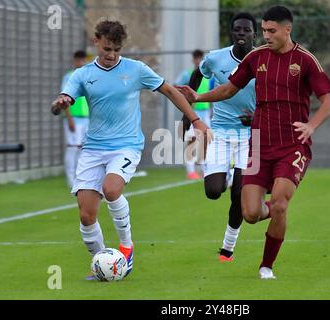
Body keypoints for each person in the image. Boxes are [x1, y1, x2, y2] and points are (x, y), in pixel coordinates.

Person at [176, 6, 330, 279]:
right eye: (263, 30)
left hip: (292, 145)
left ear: (288, 29)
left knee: (281, 203)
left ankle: (266, 266)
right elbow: (228, 89)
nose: (266, 36)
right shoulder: (256, 57)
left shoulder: (306, 61)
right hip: (259, 145)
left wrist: (311, 125)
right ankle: (274, 212)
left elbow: (329, 101)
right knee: (250, 212)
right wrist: (197, 98)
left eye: (271, 31)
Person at [51, 20, 211, 279]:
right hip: (93, 148)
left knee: (111, 189)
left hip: (126, 145)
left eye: (116, 49)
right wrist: (60, 103)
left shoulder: (136, 70)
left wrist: (195, 119)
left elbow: (170, 90)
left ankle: (127, 247)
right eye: (106, 49)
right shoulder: (83, 74)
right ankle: (102, 263)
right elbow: (65, 98)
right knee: (86, 214)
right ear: (96, 42)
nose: (111, 54)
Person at [180, 12, 257, 262]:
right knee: (213, 191)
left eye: (247, 30)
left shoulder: (263, 60)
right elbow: (197, 76)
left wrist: (258, 119)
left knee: (239, 195)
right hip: (221, 133)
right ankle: (225, 178)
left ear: (254, 33)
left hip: (251, 135)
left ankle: (228, 247)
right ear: (231, 33)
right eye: (238, 30)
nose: (242, 34)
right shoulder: (215, 58)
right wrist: (186, 114)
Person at [175, 49, 212, 179]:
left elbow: (212, 92)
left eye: (200, 59)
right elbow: (174, 87)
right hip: (193, 111)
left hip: (206, 112)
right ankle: (190, 171)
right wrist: (185, 100)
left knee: (206, 140)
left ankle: (203, 169)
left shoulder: (208, 76)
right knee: (192, 140)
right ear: (193, 60)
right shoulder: (188, 74)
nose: (198, 61)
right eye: (196, 59)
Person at [61, 50, 90, 188]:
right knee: (72, 147)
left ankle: (79, 178)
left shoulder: (87, 76)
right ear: (75, 61)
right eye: (80, 60)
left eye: (84, 60)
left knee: (82, 148)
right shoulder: (69, 77)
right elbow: (64, 98)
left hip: (86, 117)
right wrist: (69, 118)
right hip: (74, 118)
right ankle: (70, 179)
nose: (82, 63)